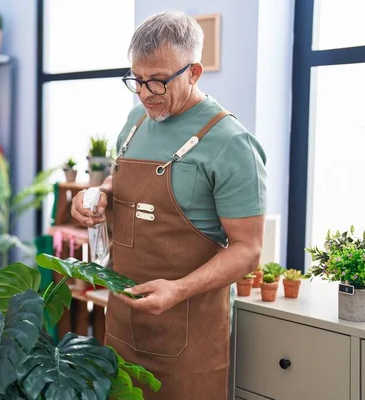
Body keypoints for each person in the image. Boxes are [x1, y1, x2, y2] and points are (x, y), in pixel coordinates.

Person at [71, 10, 267, 400]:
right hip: (122, 324)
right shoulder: (136, 121)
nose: (145, 93)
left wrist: (178, 290)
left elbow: (249, 250)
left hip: (188, 336)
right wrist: (101, 195)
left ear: (194, 72)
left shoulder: (231, 142)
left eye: (158, 80)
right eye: (137, 80)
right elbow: (122, 180)